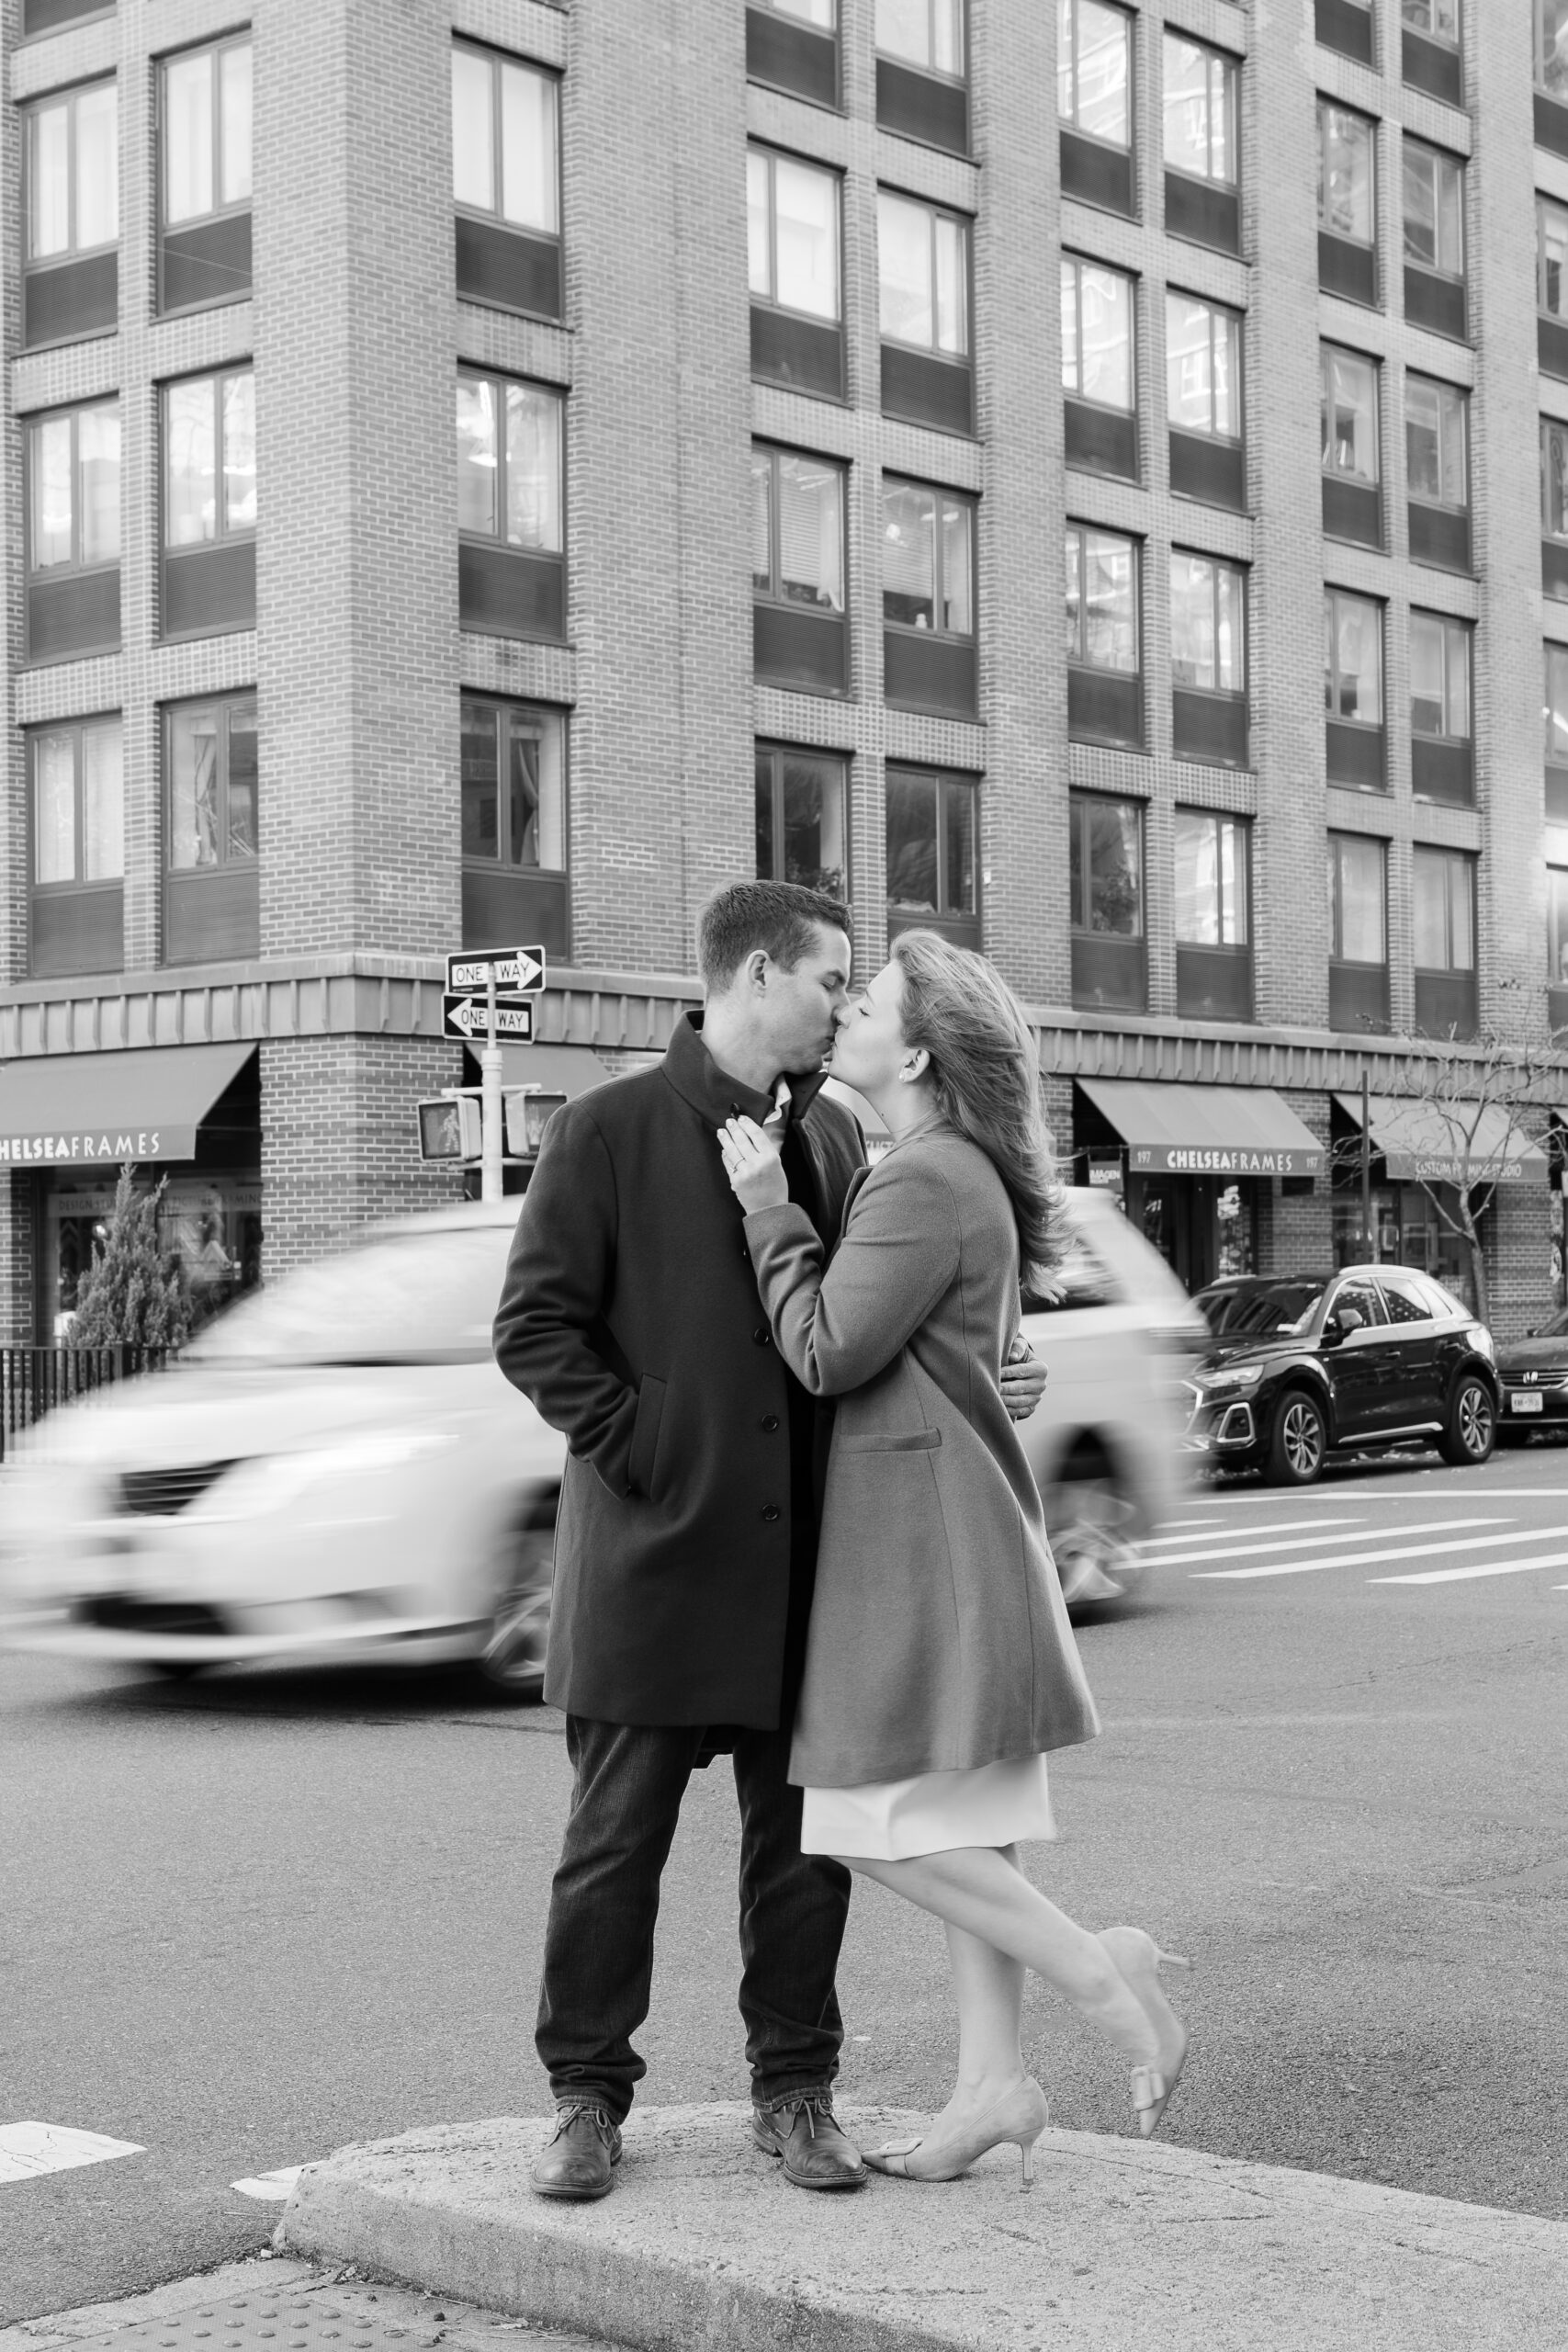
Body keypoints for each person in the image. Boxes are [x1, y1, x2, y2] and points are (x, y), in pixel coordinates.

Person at [492, 881, 1047, 2203]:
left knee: (801, 1857)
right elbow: (534, 1331)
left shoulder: (839, 1147)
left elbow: (863, 1329)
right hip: (648, 1562)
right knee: (612, 1848)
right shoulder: (606, 1129)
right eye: (828, 980)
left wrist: (990, 1373)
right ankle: (584, 2098)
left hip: (804, 1574)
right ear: (755, 978)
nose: (841, 1003)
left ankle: (796, 2092)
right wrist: (649, 1452)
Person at [718, 929, 1190, 2188]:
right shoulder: (950, 1166)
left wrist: (768, 1212)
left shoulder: (922, 1175)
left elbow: (823, 1350)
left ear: (915, 1049)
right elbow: (959, 1349)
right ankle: (991, 2085)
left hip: (920, 1545)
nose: (849, 1013)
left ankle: (1103, 1971)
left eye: (866, 1002)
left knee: (862, 1824)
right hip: (964, 1528)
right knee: (973, 1818)